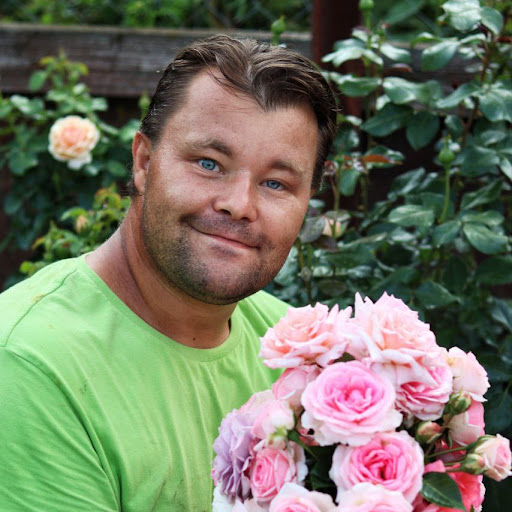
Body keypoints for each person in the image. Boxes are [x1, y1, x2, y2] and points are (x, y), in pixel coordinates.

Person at [0, 35, 337, 511]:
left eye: (276, 183)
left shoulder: (301, 355)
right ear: (144, 162)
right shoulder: (30, 366)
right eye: (209, 163)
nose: (239, 204)